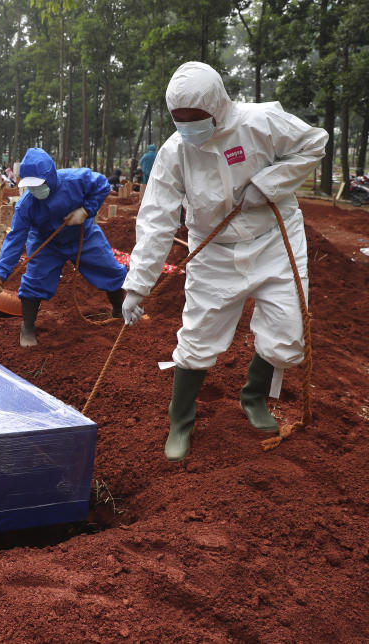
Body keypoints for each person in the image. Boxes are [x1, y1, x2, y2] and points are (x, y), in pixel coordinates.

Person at [121, 61, 327, 462]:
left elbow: (314, 143)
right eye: (178, 120)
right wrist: (137, 285)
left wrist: (269, 184)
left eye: (195, 118)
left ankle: (253, 398)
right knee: (198, 337)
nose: (187, 127)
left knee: (288, 335)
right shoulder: (174, 152)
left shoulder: (260, 122)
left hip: (274, 239)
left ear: (217, 106)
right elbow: (156, 219)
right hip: (213, 250)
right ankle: (180, 421)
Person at [0, 147, 127, 347]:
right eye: (30, 186)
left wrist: (86, 210)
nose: (35, 190)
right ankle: (27, 326)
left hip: (82, 235)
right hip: (46, 243)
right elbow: (15, 238)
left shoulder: (75, 180)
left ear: (49, 176)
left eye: (39, 184)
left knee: (109, 268)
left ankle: (119, 310)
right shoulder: (26, 205)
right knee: (35, 279)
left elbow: (102, 184)